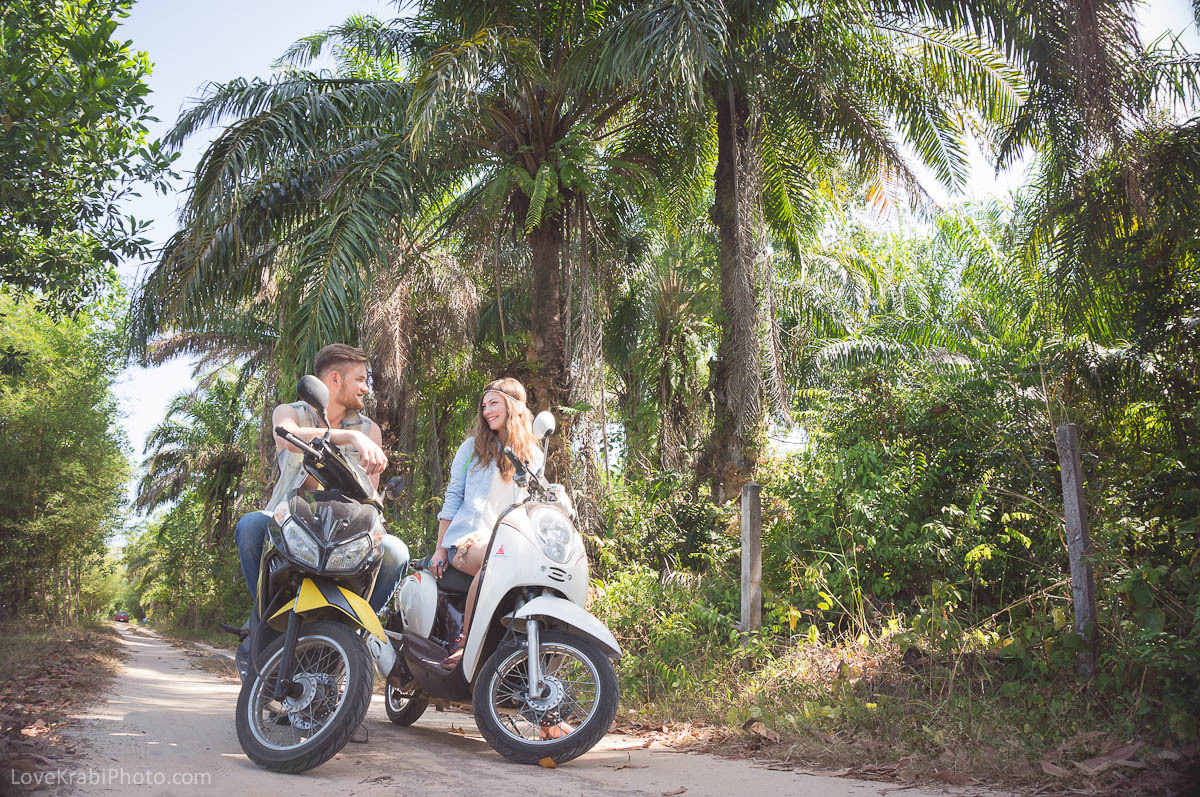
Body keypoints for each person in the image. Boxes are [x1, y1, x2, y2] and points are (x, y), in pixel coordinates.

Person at [234, 344, 409, 619]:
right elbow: (286, 436)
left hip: (346, 534)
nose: (366, 388)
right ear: (335, 379)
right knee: (250, 525)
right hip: (290, 523)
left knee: (396, 553)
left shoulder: (369, 429)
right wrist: (348, 438)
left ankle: (354, 631)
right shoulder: (290, 411)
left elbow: (371, 495)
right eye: (361, 379)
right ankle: (264, 618)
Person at [431, 377, 542, 667]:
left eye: (494, 403)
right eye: (484, 405)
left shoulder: (532, 455)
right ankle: (466, 645)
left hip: (510, 543)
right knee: (494, 563)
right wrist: (440, 548)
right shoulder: (472, 449)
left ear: (514, 406)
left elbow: (537, 503)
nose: (487, 411)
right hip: (468, 541)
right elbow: (453, 497)